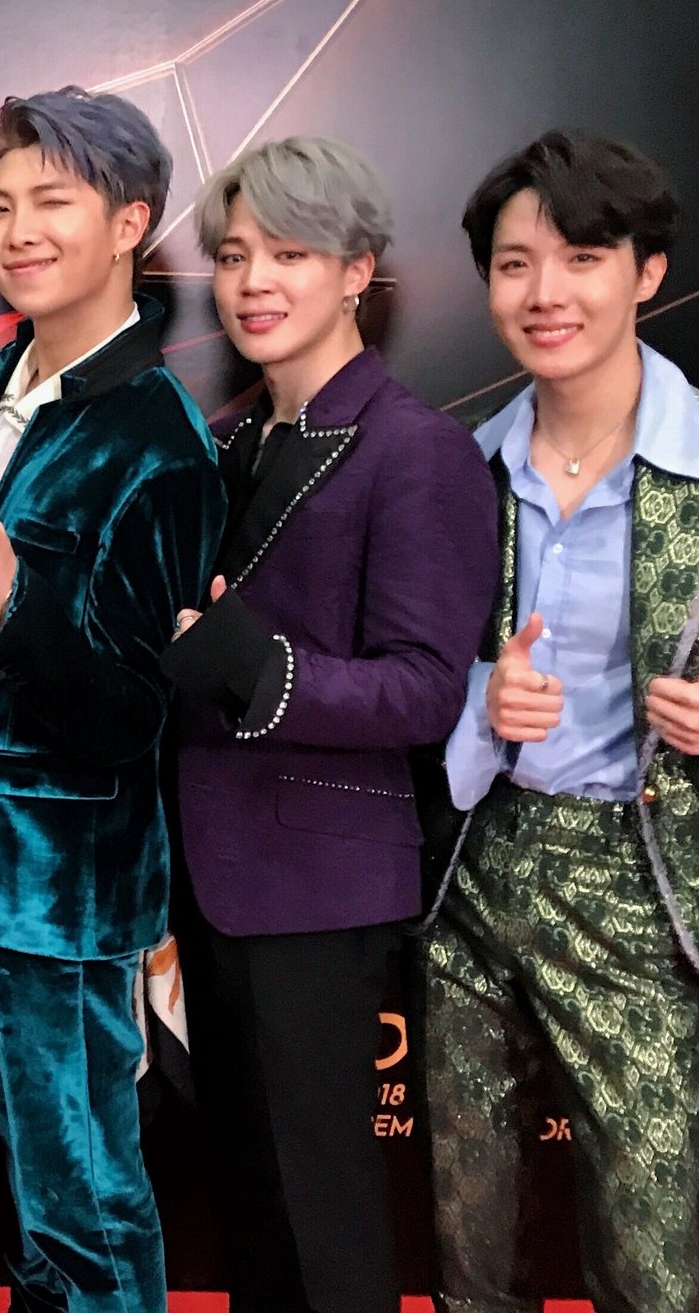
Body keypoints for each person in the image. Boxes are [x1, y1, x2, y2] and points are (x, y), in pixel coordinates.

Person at [428, 130, 699, 1313]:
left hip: (647, 885)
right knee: (468, 1263)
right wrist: (478, 702)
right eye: (513, 265)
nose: (544, 294)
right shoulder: (456, 470)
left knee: (651, 1276)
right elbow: (407, 676)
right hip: (472, 881)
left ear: (645, 272)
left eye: (581, 258)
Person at [0, 87, 224, 1313]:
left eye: (53, 202)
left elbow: (135, 714)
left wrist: (9, 604)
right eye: (0, 205)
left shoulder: (158, 443)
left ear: (129, 222)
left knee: (87, 1209)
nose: (17, 231)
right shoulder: (9, 373)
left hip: (59, 893)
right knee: (37, 1211)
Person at [160, 136, 497, 1313]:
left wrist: (262, 671)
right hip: (205, 882)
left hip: (315, 892)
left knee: (321, 1224)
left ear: (356, 271)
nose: (253, 281)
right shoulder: (226, 445)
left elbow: (425, 689)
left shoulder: (415, 450)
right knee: (252, 1218)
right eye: (233, 255)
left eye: (289, 253)